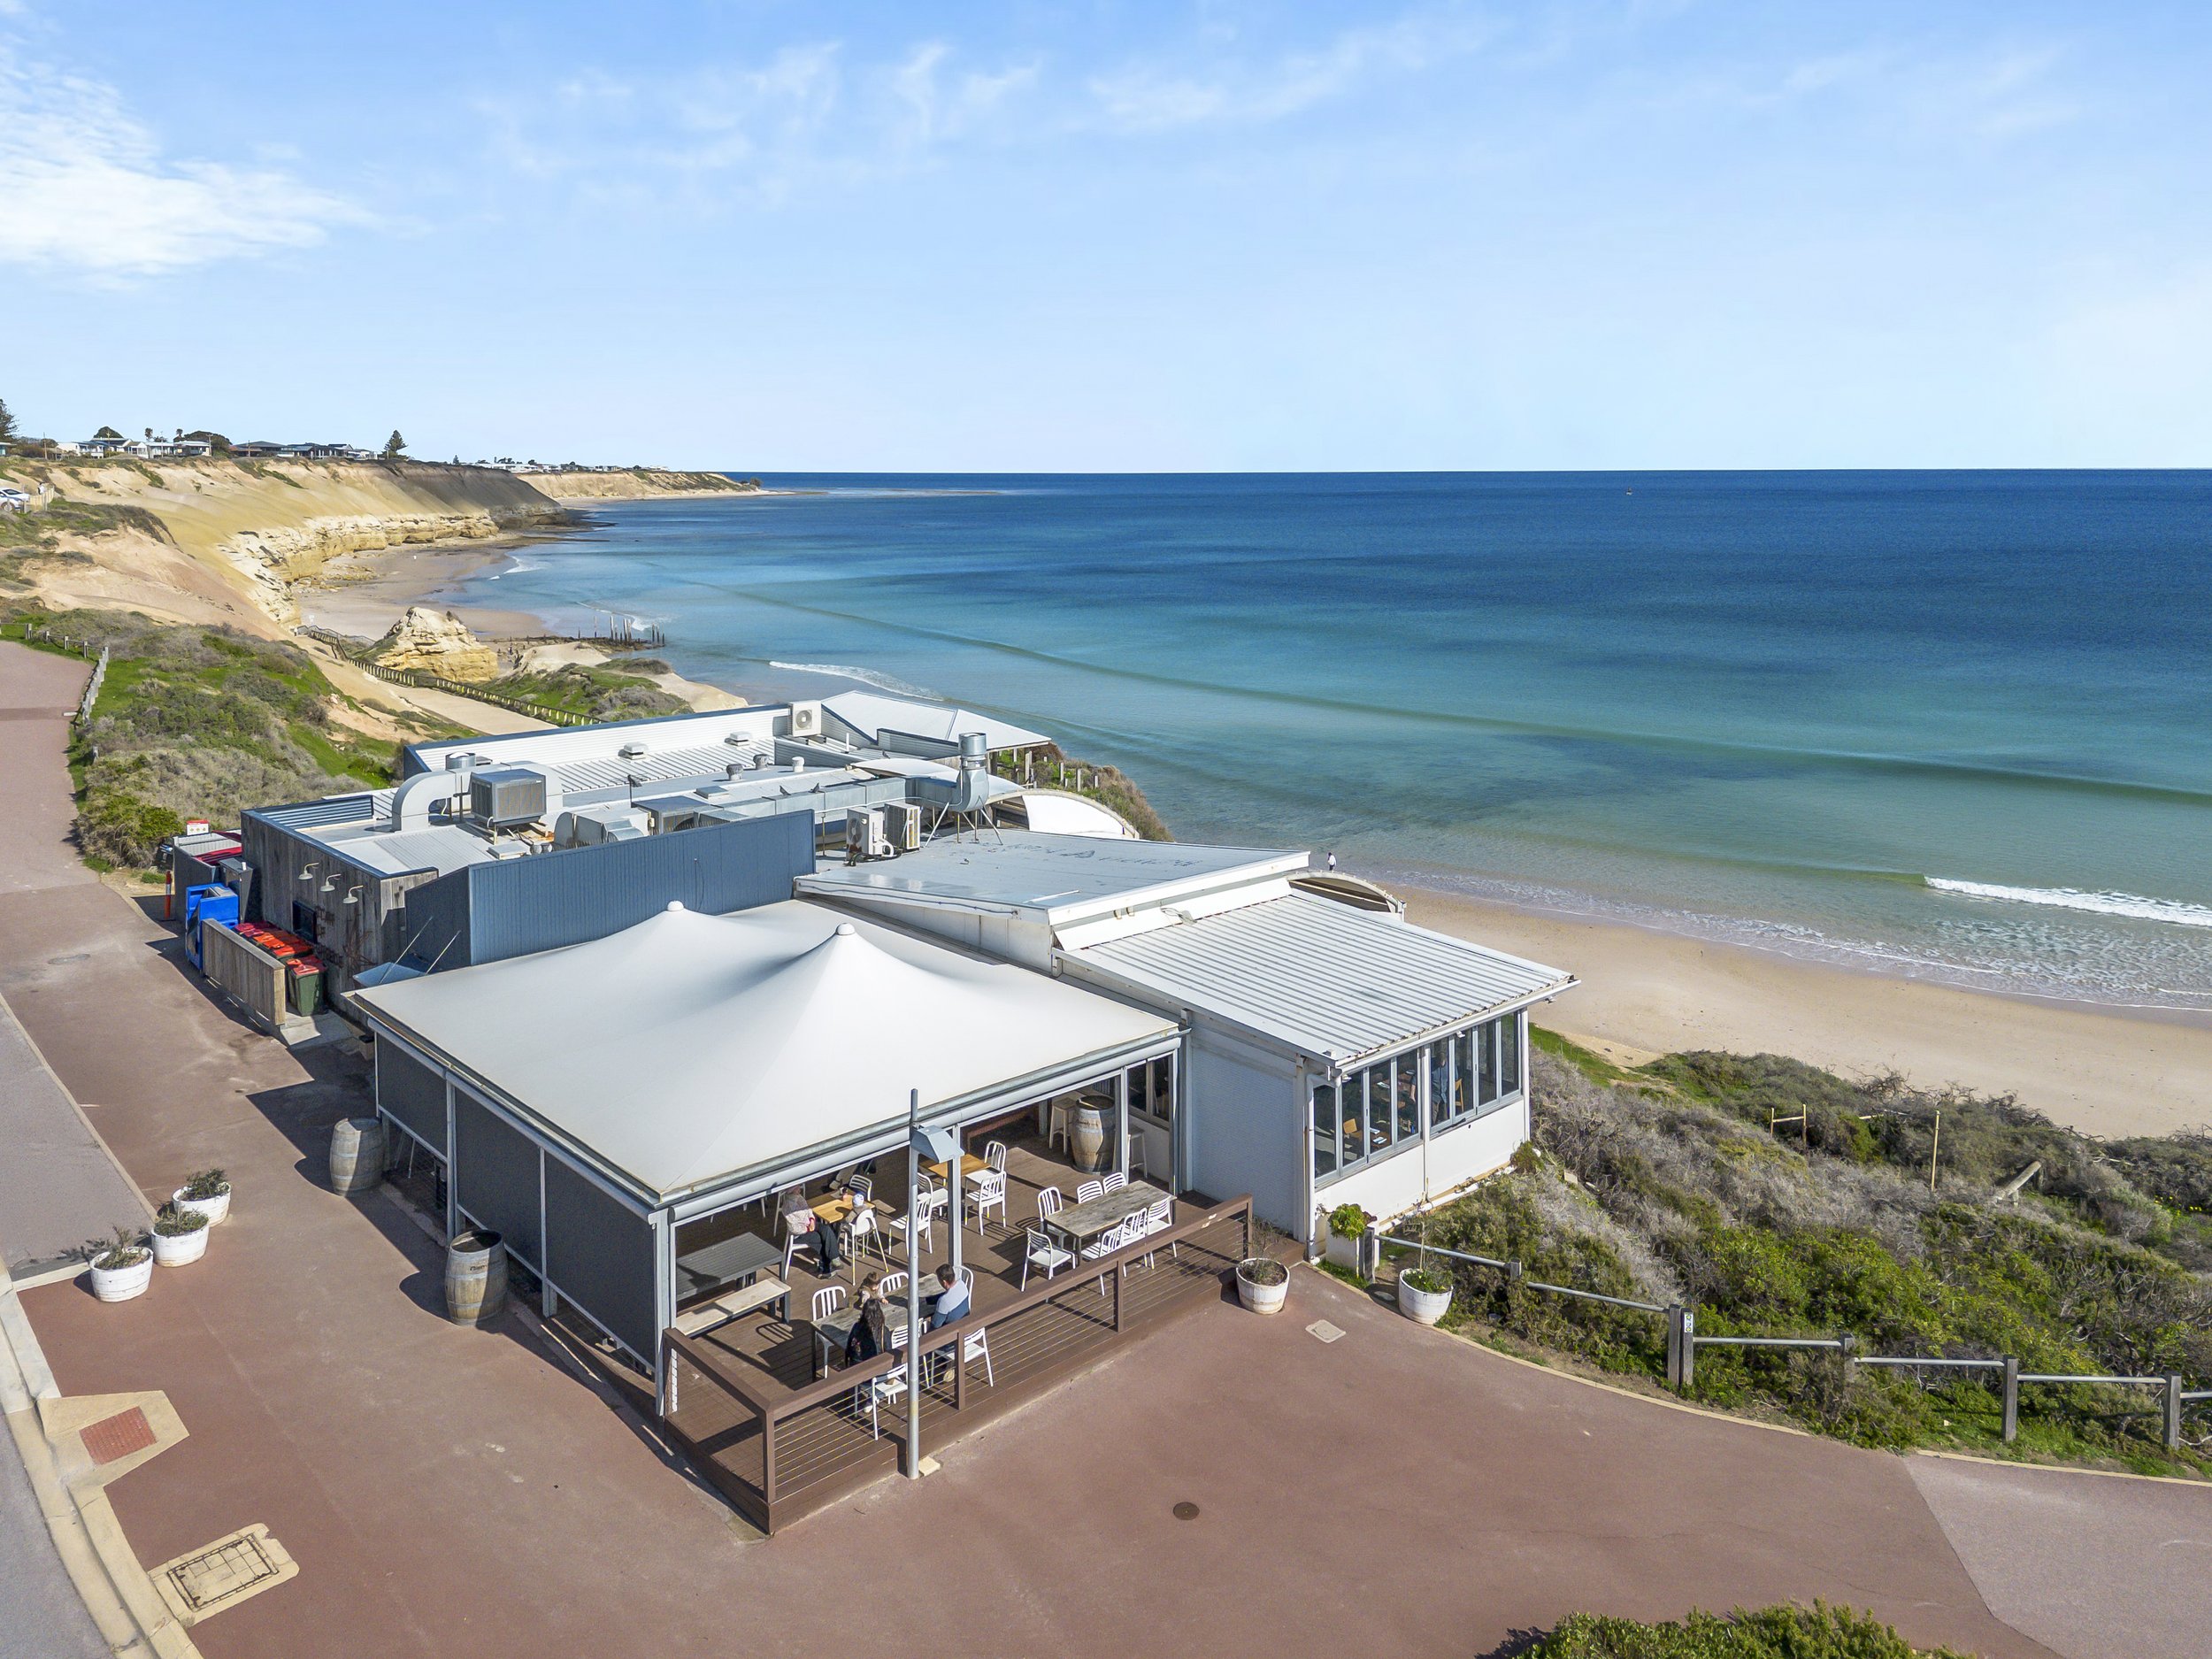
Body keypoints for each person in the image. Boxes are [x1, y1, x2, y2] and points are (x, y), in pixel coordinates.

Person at [843, 1275, 889, 1367]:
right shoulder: (883, 1330)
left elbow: (849, 1345)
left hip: (857, 1365)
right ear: (879, 1313)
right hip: (876, 1367)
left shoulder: (857, 1326)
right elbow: (888, 1351)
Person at [926, 1262, 970, 1331]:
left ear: (944, 1282)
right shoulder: (962, 1285)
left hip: (952, 1331)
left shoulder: (944, 1301)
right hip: (966, 1323)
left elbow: (936, 1325)